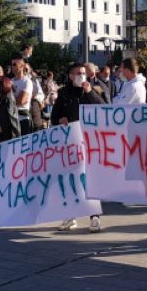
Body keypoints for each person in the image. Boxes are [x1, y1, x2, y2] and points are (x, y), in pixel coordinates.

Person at [52, 62, 105, 232]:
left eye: (83, 72)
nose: (82, 75)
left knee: (91, 180)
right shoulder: (64, 94)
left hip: (90, 142)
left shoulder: (92, 90)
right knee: (71, 179)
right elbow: (55, 116)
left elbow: (103, 108)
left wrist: (89, 92)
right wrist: (60, 120)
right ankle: (70, 215)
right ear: (70, 76)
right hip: (71, 143)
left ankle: (94, 216)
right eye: (78, 73)